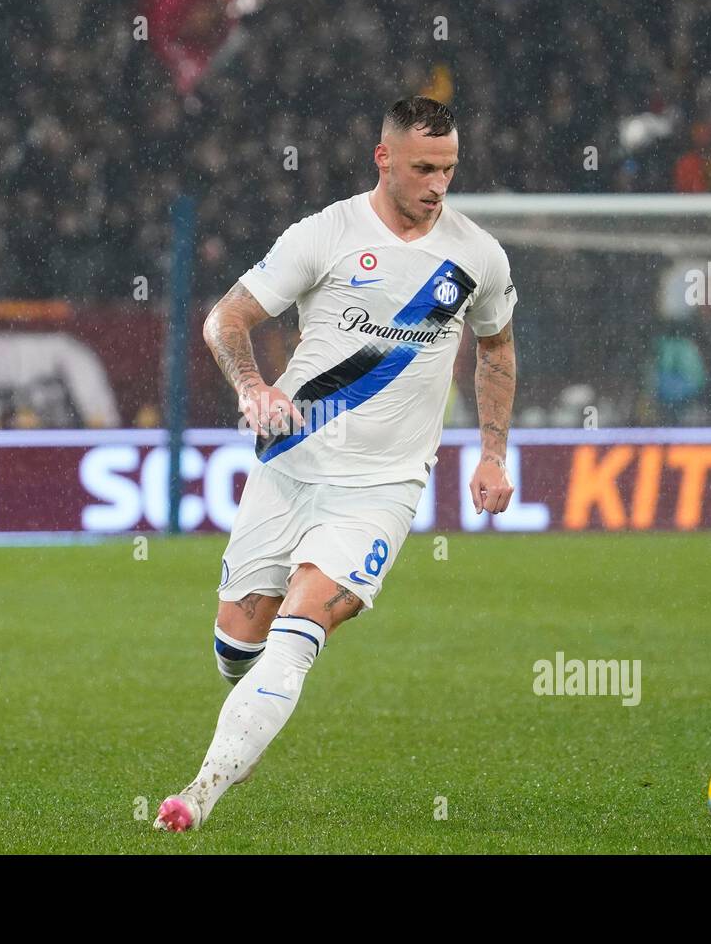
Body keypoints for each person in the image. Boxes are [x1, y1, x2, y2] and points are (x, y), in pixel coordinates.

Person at [155, 97, 520, 832]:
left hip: (381, 490)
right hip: (290, 467)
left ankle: (198, 794)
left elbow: (497, 349)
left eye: (448, 169)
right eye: (423, 167)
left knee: (298, 634)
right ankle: (251, 715)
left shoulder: (477, 255)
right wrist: (253, 388)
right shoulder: (324, 234)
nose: (437, 184)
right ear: (383, 157)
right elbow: (225, 318)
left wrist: (491, 453)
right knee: (238, 645)